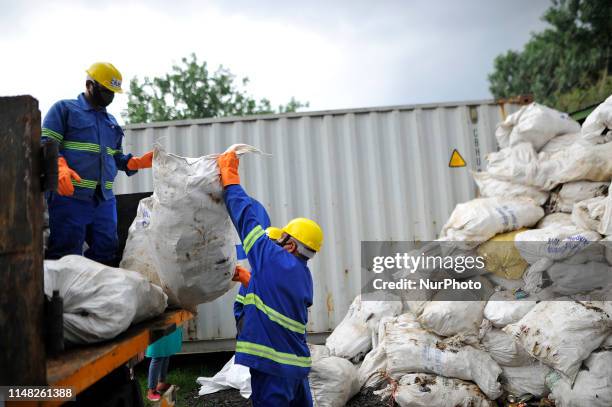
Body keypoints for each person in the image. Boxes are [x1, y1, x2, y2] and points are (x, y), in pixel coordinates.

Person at [217, 150, 324, 407]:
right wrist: (247, 278)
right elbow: (273, 297)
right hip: (295, 366)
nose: (275, 242)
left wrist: (230, 176)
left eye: (282, 238)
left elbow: (245, 217)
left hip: (273, 366)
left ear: (290, 245)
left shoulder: (274, 258)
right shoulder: (302, 274)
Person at [42, 62, 154, 266]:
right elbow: (47, 143)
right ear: (89, 85)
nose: (109, 96)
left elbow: (115, 157)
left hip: (104, 200)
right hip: (70, 197)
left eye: (113, 92)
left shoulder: (110, 121)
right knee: (66, 255)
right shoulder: (64, 109)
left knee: (107, 250)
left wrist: (135, 162)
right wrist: (59, 166)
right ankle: (62, 297)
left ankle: (98, 295)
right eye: (105, 90)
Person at [144, 328, 182, 401]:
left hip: (167, 322)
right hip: (157, 323)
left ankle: (161, 384)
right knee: (157, 355)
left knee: (166, 352)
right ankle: (151, 390)